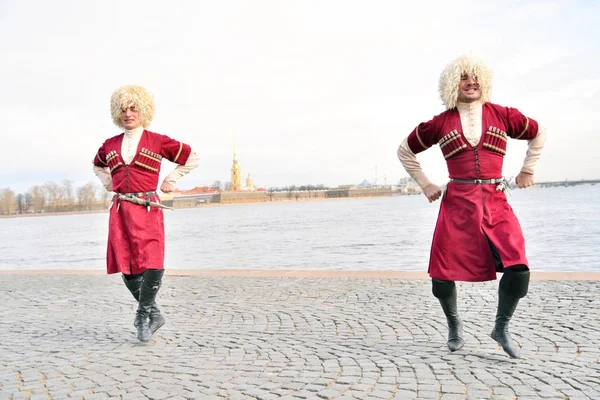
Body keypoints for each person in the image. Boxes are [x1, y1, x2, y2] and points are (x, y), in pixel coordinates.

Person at [397, 54, 547, 358]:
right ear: (454, 83)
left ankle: (501, 327)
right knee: (440, 275)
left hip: (496, 201)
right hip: (457, 205)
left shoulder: (503, 114)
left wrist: (528, 169)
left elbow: (538, 133)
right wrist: (426, 183)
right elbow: (404, 151)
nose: (471, 82)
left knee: (519, 267)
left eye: (475, 77)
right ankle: (454, 325)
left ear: (484, 82)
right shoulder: (439, 123)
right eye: (464, 77)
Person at [93, 85, 200, 342]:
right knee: (126, 263)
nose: (128, 113)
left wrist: (171, 179)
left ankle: (142, 316)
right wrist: (110, 185)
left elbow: (192, 158)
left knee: (152, 260)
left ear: (144, 110)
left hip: (148, 207)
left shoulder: (158, 141)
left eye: (133, 108)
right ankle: (154, 314)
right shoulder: (109, 145)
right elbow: (97, 165)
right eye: (123, 109)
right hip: (121, 209)